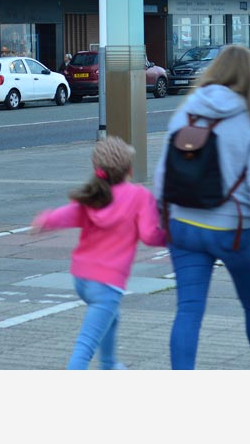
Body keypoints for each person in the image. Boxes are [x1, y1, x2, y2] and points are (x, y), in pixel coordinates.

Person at [154, 44, 250, 370]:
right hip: (236, 232)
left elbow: (163, 173)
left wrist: (163, 221)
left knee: (188, 309)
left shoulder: (186, 111)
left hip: (184, 228)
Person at [32, 136, 165, 370]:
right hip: (107, 283)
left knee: (111, 319)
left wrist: (46, 219)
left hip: (82, 279)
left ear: (98, 170)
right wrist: (172, 237)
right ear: (130, 169)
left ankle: (109, 363)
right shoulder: (139, 196)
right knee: (85, 345)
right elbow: (149, 235)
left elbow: (68, 214)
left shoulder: (95, 196)